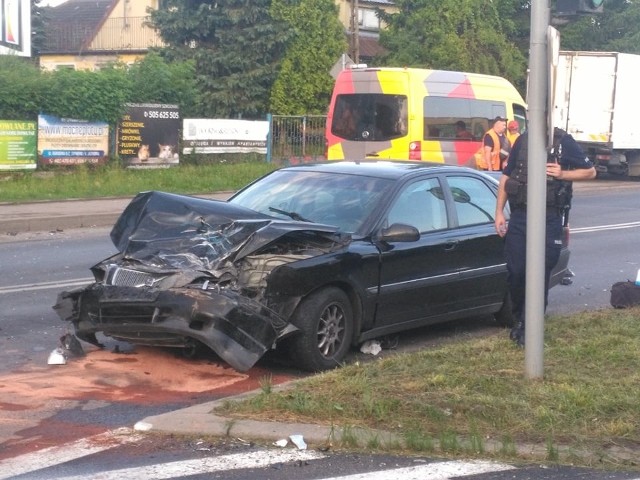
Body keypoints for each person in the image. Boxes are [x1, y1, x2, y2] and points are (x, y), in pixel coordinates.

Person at [494, 127, 596, 346]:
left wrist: (563, 174)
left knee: (539, 273)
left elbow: (590, 171)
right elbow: (506, 177)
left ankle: (530, 327)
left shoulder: (563, 142)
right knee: (516, 270)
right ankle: (520, 318)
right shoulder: (523, 140)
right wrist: (499, 213)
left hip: (549, 217)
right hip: (521, 215)